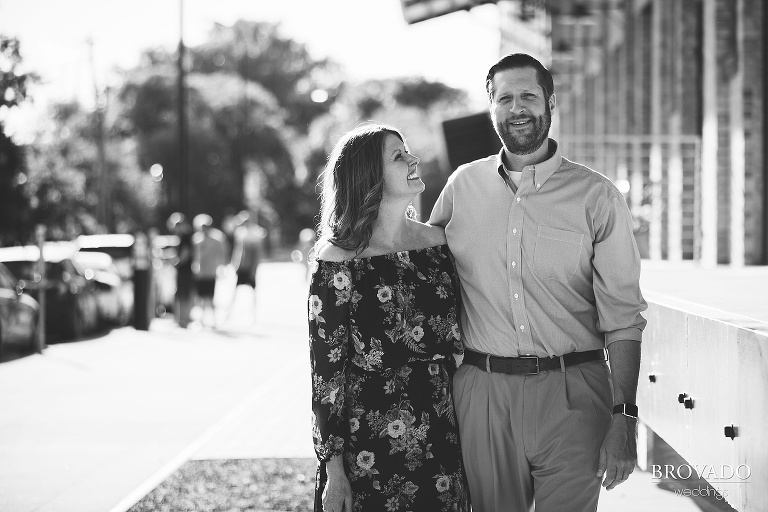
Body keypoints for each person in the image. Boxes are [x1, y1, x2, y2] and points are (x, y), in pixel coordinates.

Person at [429, 53, 648, 511]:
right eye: (504, 98)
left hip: (575, 392)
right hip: (482, 393)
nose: (517, 108)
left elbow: (624, 318)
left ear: (550, 101)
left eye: (528, 95)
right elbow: (424, 276)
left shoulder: (597, 197)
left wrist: (624, 416)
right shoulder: (460, 187)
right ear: (491, 108)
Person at [308, 124, 470, 512]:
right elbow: (326, 376)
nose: (413, 159)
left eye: (408, 151)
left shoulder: (439, 244)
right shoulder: (337, 261)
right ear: (368, 176)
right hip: (369, 451)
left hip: (444, 439)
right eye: (399, 156)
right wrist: (334, 470)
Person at [191, 213, 229, 328]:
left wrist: (222, 268)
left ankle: (213, 320)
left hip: (211, 272)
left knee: (210, 297)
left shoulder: (216, 240)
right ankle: (201, 320)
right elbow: (195, 256)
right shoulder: (197, 240)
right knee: (200, 298)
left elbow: (221, 255)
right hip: (200, 272)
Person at [229, 210, 267, 322]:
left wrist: (253, 269)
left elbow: (257, 254)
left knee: (252, 292)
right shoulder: (240, 232)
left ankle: (253, 315)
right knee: (236, 290)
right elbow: (238, 251)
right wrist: (234, 264)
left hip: (250, 267)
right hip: (242, 266)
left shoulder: (255, 233)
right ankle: (231, 313)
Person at [166, 212, 194, 328]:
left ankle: (184, 320)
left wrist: (176, 262)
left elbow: (186, 254)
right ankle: (182, 319)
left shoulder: (186, 237)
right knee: (181, 295)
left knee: (184, 296)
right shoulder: (183, 237)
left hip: (185, 270)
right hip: (183, 270)